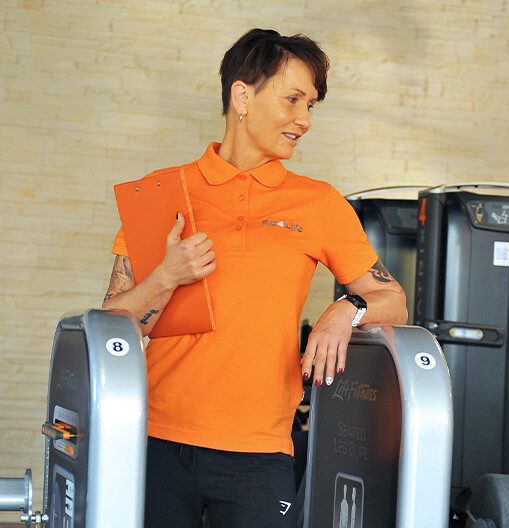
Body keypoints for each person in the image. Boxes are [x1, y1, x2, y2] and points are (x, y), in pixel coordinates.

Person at [102, 28, 407, 528]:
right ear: (242, 97)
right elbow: (111, 326)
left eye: (311, 105)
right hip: (154, 439)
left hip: (260, 453)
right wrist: (167, 276)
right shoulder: (160, 192)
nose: (305, 120)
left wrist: (346, 310)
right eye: (293, 100)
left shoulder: (319, 203)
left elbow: (392, 300)